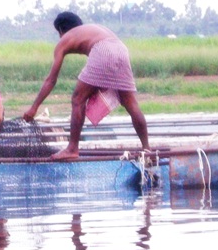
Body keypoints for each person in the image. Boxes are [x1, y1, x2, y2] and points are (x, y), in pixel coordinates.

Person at [23, 12, 149, 160]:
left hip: (103, 49)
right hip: (121, 49)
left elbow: (51, 80)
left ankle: (72, 149)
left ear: (61, 30)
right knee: (130, 103)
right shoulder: (92, 29)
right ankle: (147, 148)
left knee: (78, 99)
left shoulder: (65, 39)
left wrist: (34, 107)